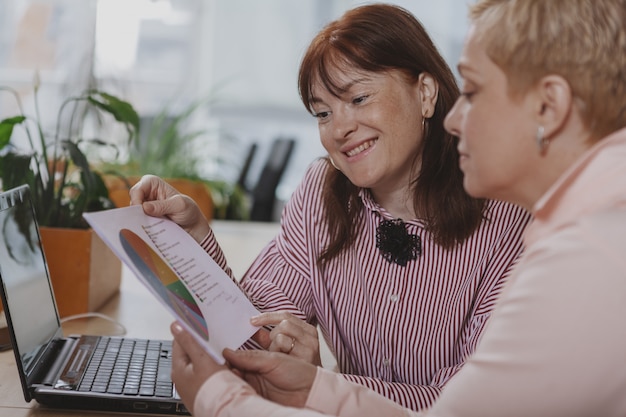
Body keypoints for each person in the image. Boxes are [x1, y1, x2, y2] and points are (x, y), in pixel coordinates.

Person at [166, 0, 626, 415]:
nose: (338, 128)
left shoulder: (532, 227)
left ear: (425, 93)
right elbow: (251, 329)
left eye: (359, 98)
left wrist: (305, 386)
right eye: (322, 113)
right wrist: (194, 244)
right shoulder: (319, 193)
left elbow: (462, 400)